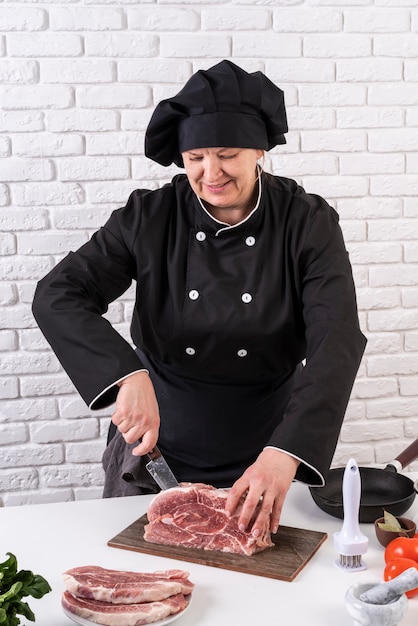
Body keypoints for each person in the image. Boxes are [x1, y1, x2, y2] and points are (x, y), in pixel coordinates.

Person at [32, 60, 366, 539]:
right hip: (156, 447)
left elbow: (337, 338)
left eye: (227, 154)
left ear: (258, 150)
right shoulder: (149, 217)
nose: (211, 173)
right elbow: (57, 294)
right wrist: (127, 376)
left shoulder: (306, 223)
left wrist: (285, 453)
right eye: (196, 158)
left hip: (265, 448)